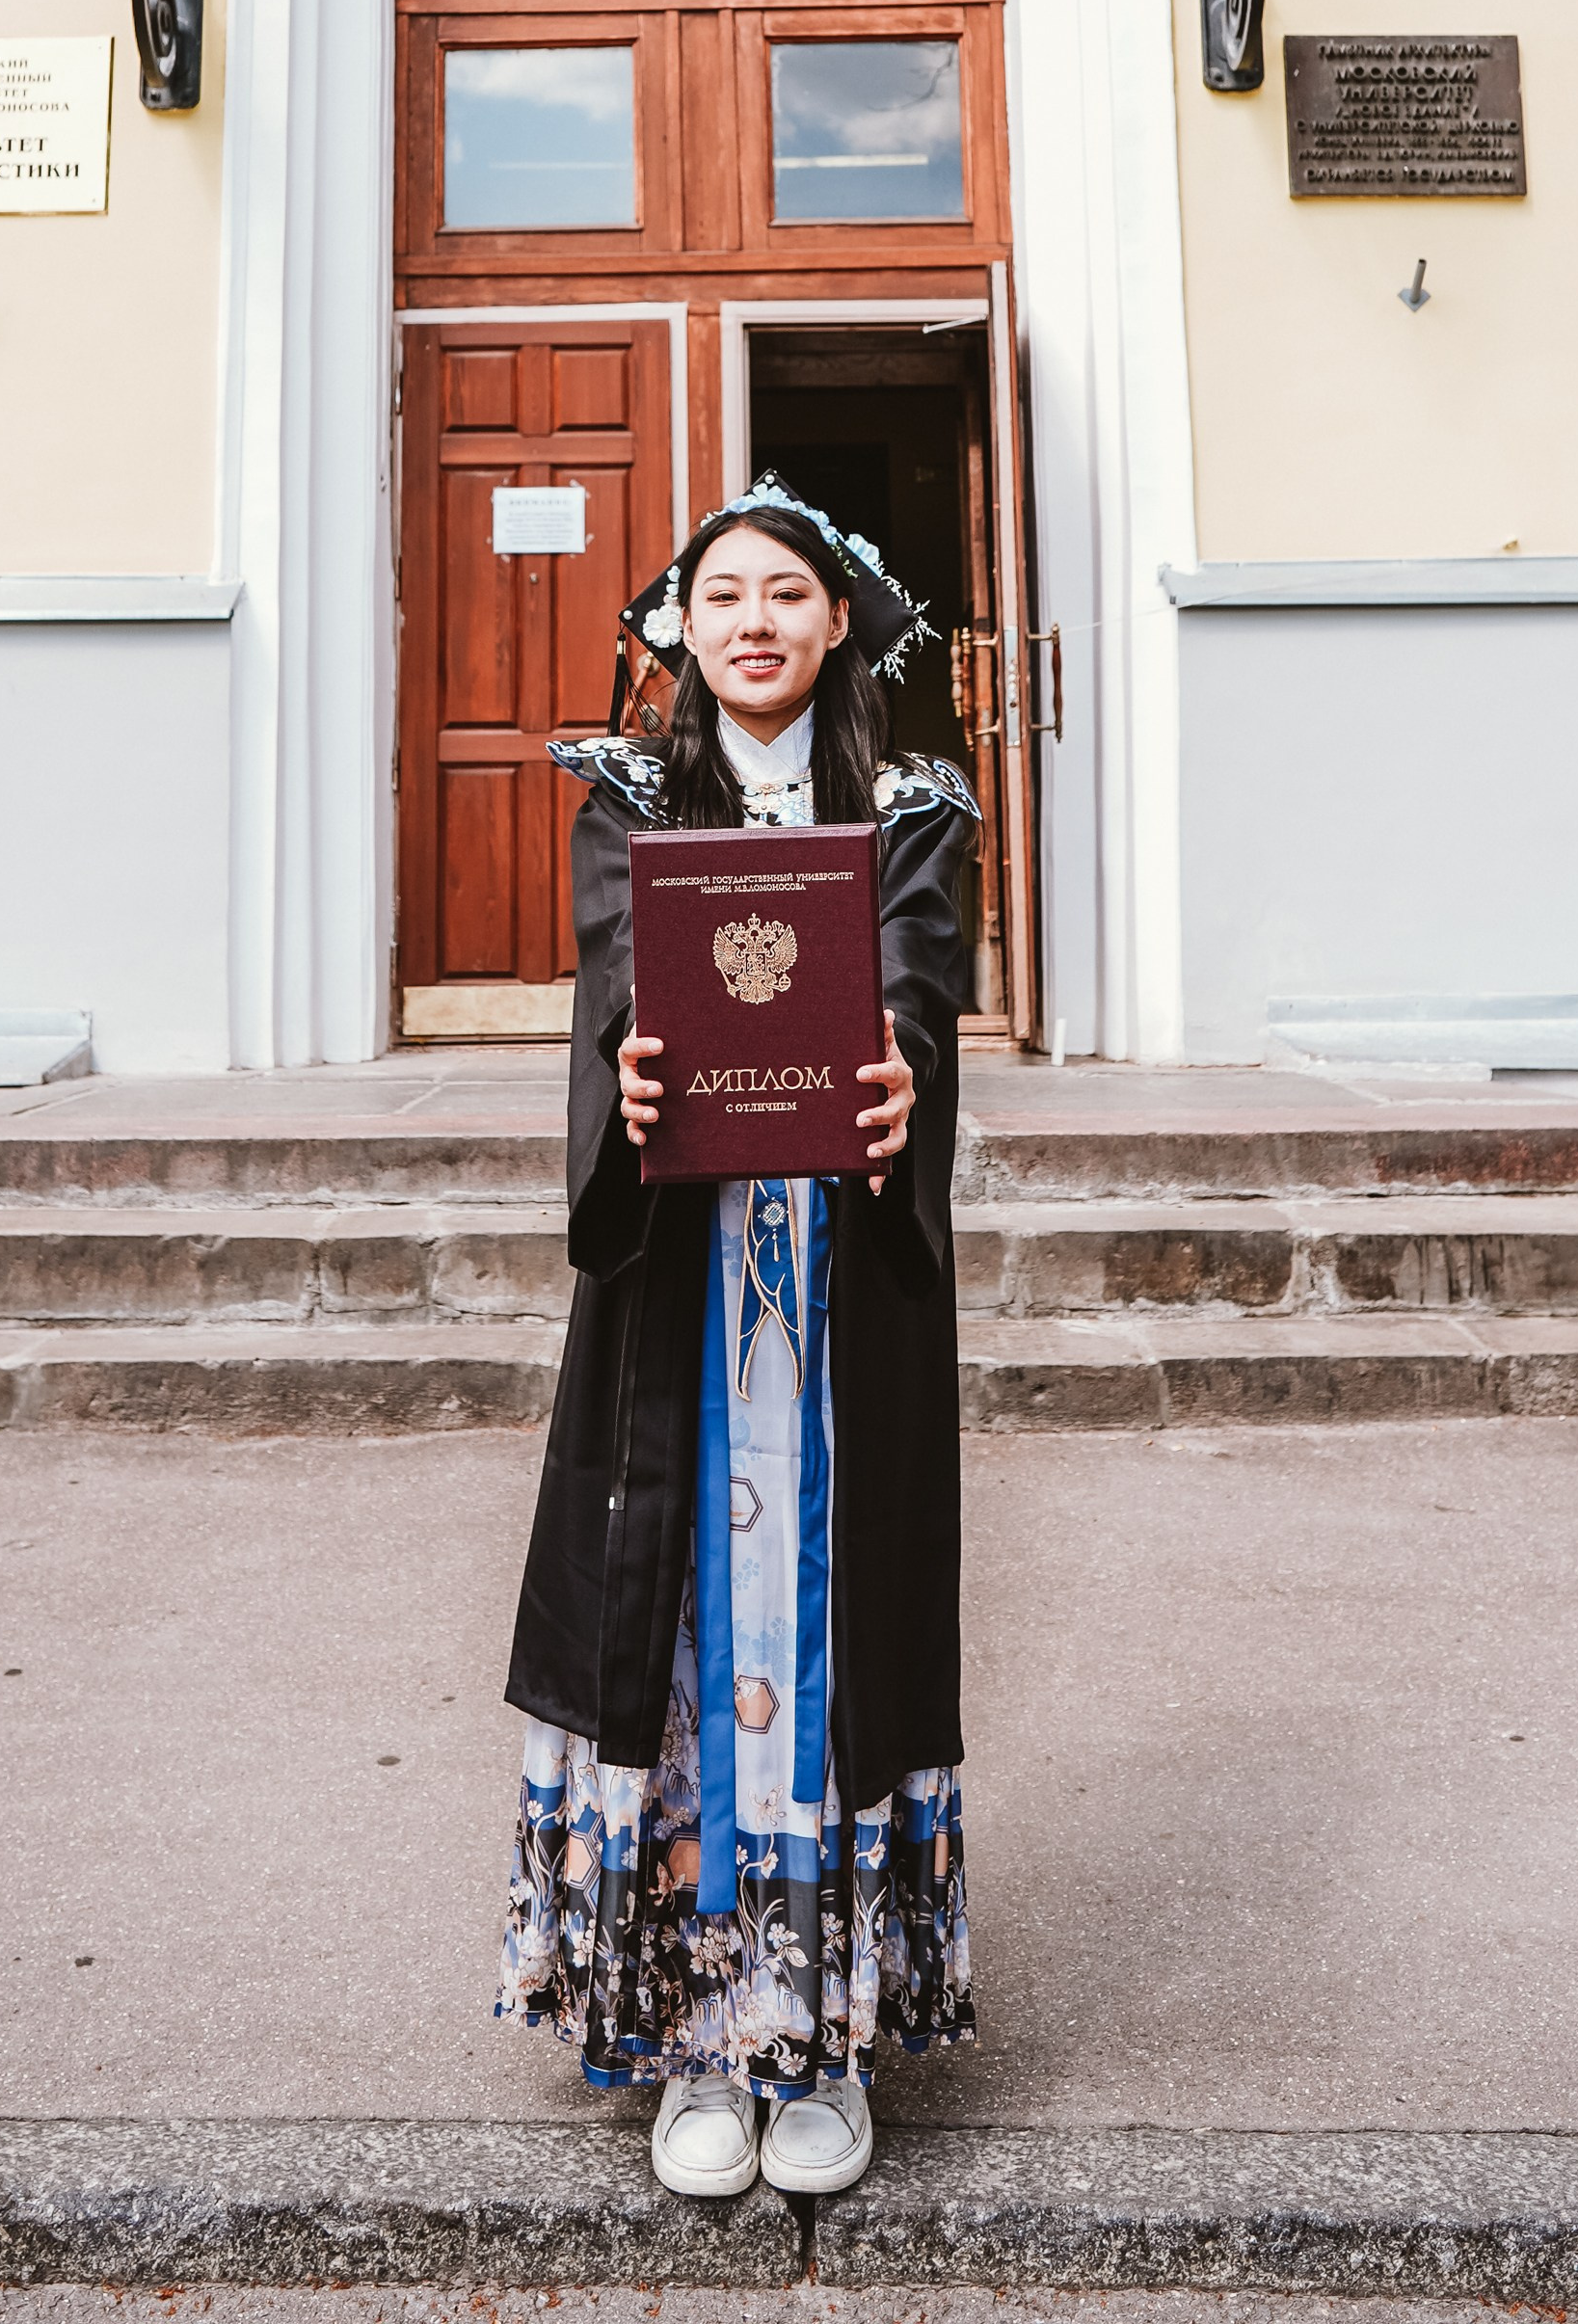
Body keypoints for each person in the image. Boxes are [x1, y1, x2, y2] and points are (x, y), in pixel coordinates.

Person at [495, 473, 979, 2201]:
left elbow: (919, 991)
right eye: (722, 597)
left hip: (842, 1289)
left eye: (786, 592)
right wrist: (622, 1088)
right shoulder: (629, 800)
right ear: (679, 634)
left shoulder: (916, 808)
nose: (755, 620)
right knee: (682, 1632)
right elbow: (615, 994)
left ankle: (822, 2047)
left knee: (837, 1630)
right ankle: (699, 2042)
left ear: (838, 620)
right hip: (682, 1296)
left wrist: (905, 1078)